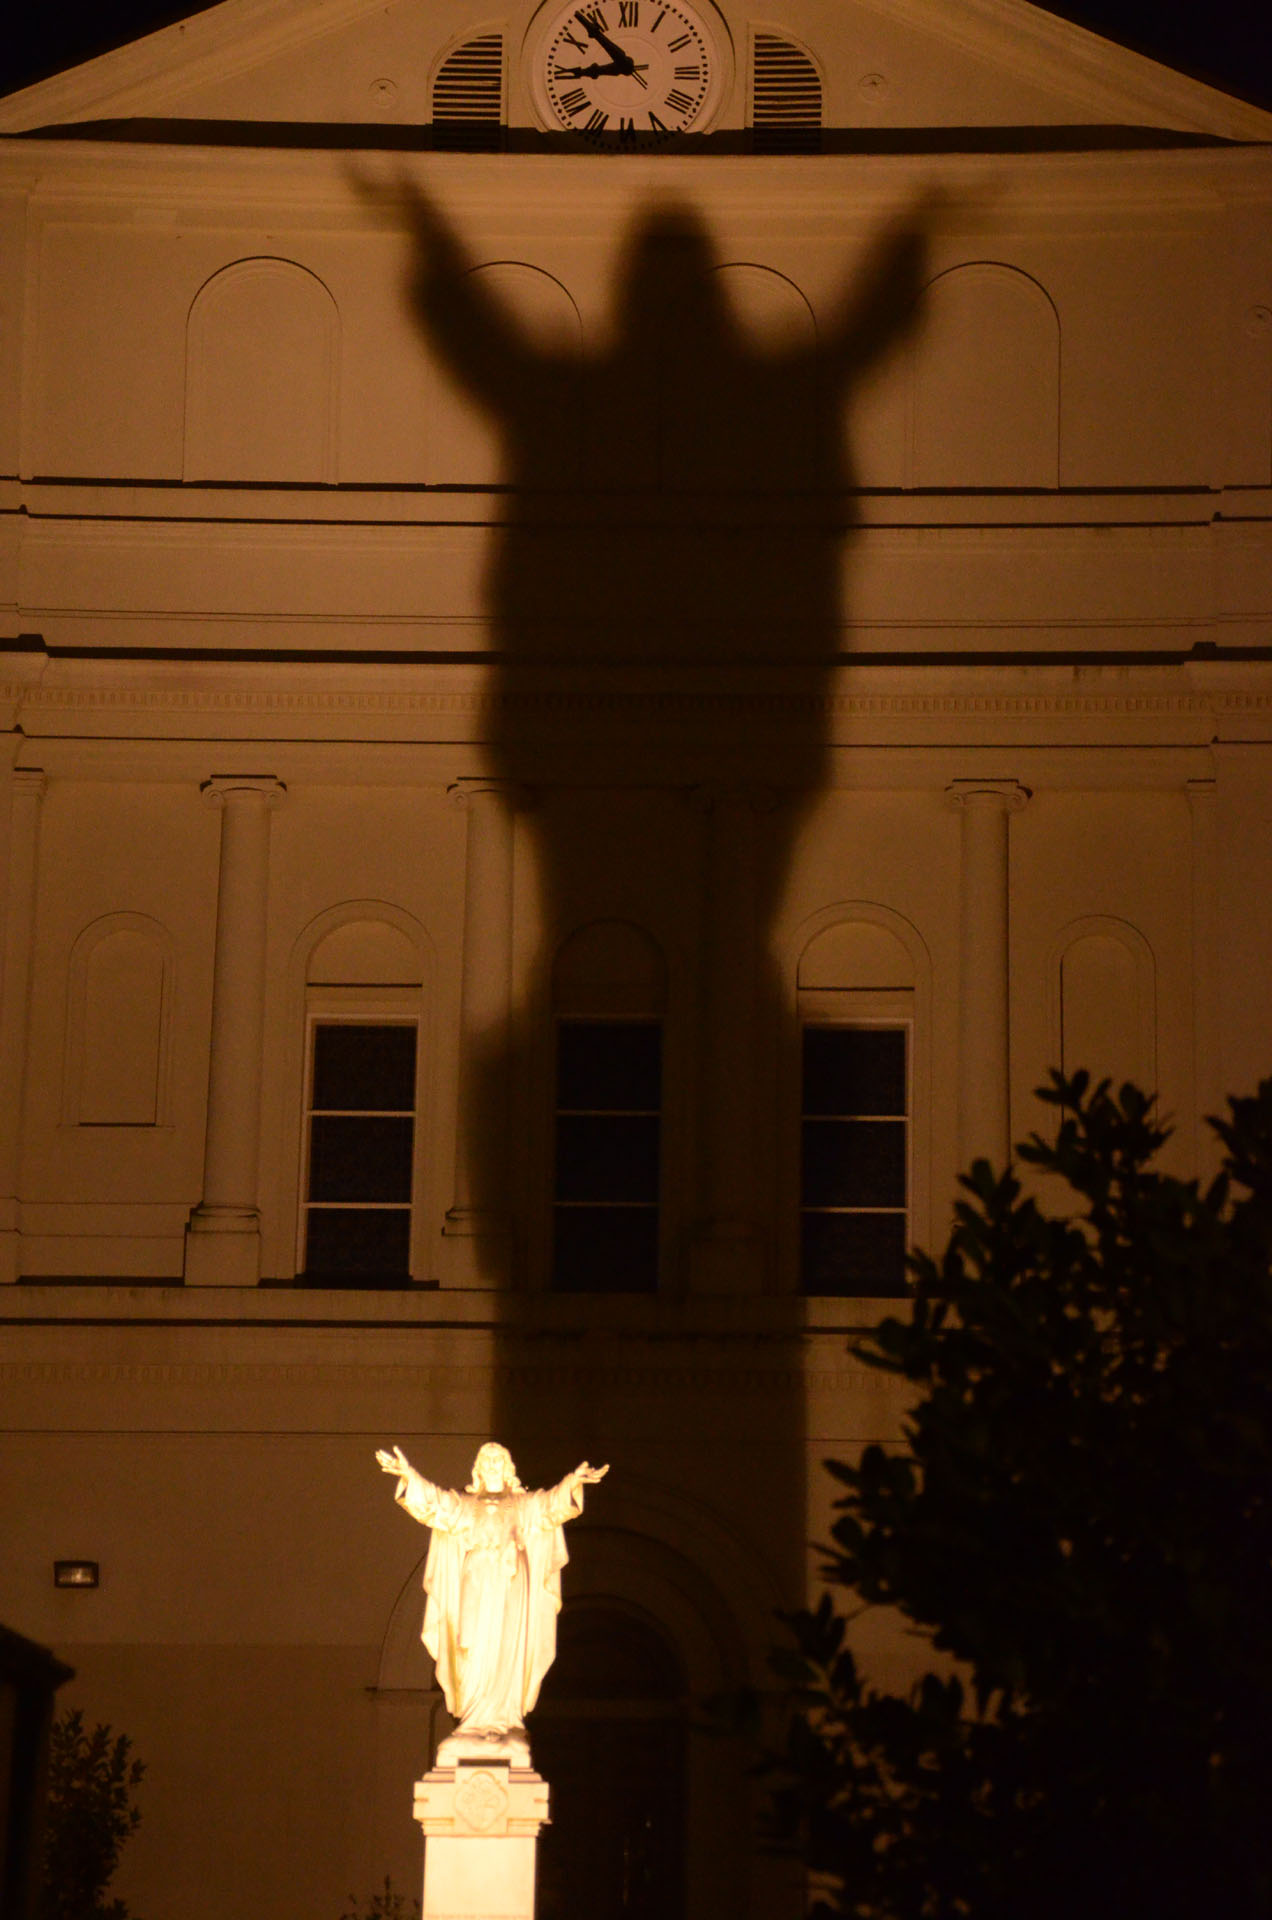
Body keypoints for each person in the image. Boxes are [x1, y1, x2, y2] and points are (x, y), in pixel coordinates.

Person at [376, 1440, 608, 1746]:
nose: (493, 1464)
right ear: (479, 1469)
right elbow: (433, 1504)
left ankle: (504, 1719)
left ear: (508, 1467)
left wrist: (572, 1482)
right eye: (487, 1460)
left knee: (507, 1647)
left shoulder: (523, 1504)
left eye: (499, 1460)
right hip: (476, 1581)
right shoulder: (465, 1504)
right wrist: (408, 1475)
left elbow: (552, 1507)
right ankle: (474, 1719)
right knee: (472, 1648)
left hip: (512, 1584)